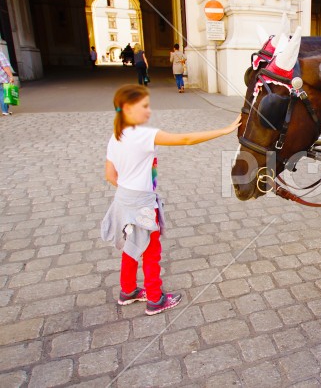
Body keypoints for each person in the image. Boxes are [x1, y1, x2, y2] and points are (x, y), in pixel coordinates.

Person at [101, 85, 241, 315]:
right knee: (151, 250)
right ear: (127, 108)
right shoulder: (143, 135)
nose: (149, 110)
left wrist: (130, 190)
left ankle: (128, 291)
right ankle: (155, 299)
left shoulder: (115, 137)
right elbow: (186, 139)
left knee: (130, 246)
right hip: (142, 204)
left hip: (123, 201)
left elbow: (110, 175)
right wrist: (225, 130)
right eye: (144, 106)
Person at [0, 51, 15, 116]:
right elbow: (5, 67)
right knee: (2, 93)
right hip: (1, 78)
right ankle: (5, 111)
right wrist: (11, 76)